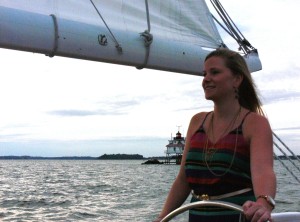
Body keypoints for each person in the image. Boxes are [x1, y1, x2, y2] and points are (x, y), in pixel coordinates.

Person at [154, 49, 276, 222]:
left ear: (237, 79)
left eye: (215, 72)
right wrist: (161, 218)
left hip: (236, 216)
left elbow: (264, 172)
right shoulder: (197, 122)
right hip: (196, 215)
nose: (206, 79)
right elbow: (183, 180)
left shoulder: (255, 123)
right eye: (204, 74)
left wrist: (263, 204)